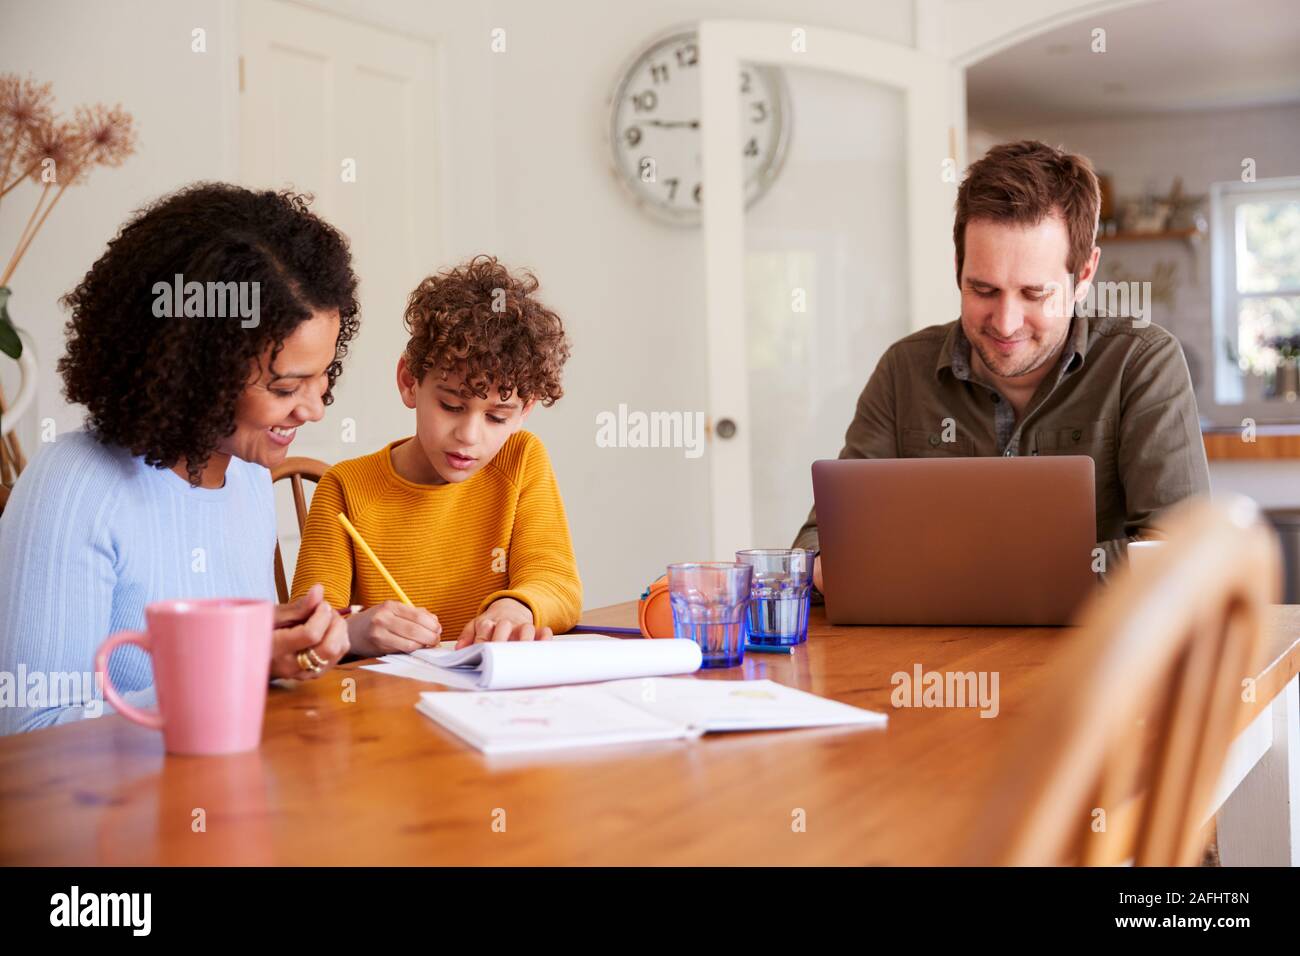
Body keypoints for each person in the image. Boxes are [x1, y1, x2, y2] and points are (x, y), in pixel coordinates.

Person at [0, 183, 358, 733]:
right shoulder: (72, 488)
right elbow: (25, 733)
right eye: (287, 387)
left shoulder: (246, 480)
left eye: (323, 377)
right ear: (197, 372)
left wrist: (275, 644)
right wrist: (233, 667)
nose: (314, 410)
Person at [793, 140, 1210, 592]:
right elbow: (818, 547)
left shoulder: (1141, 363)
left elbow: (1185, 556)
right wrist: (826, 564)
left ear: (1084, 275)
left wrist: (961, 567)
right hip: (932, 658)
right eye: (984, 290)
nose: (1006, 323)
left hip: (1100, 657)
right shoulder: (903, 370)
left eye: (1034, 294)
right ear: (958, 268)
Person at [291, 255, 582, 653]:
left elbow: (557, 582)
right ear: (410, 382)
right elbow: (307, 624)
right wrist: (355, 630)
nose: (469, 436)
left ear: (524, 411)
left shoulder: (521, 459)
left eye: (497, 417)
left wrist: (516, 607)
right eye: (451, 406)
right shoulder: (345, 488)